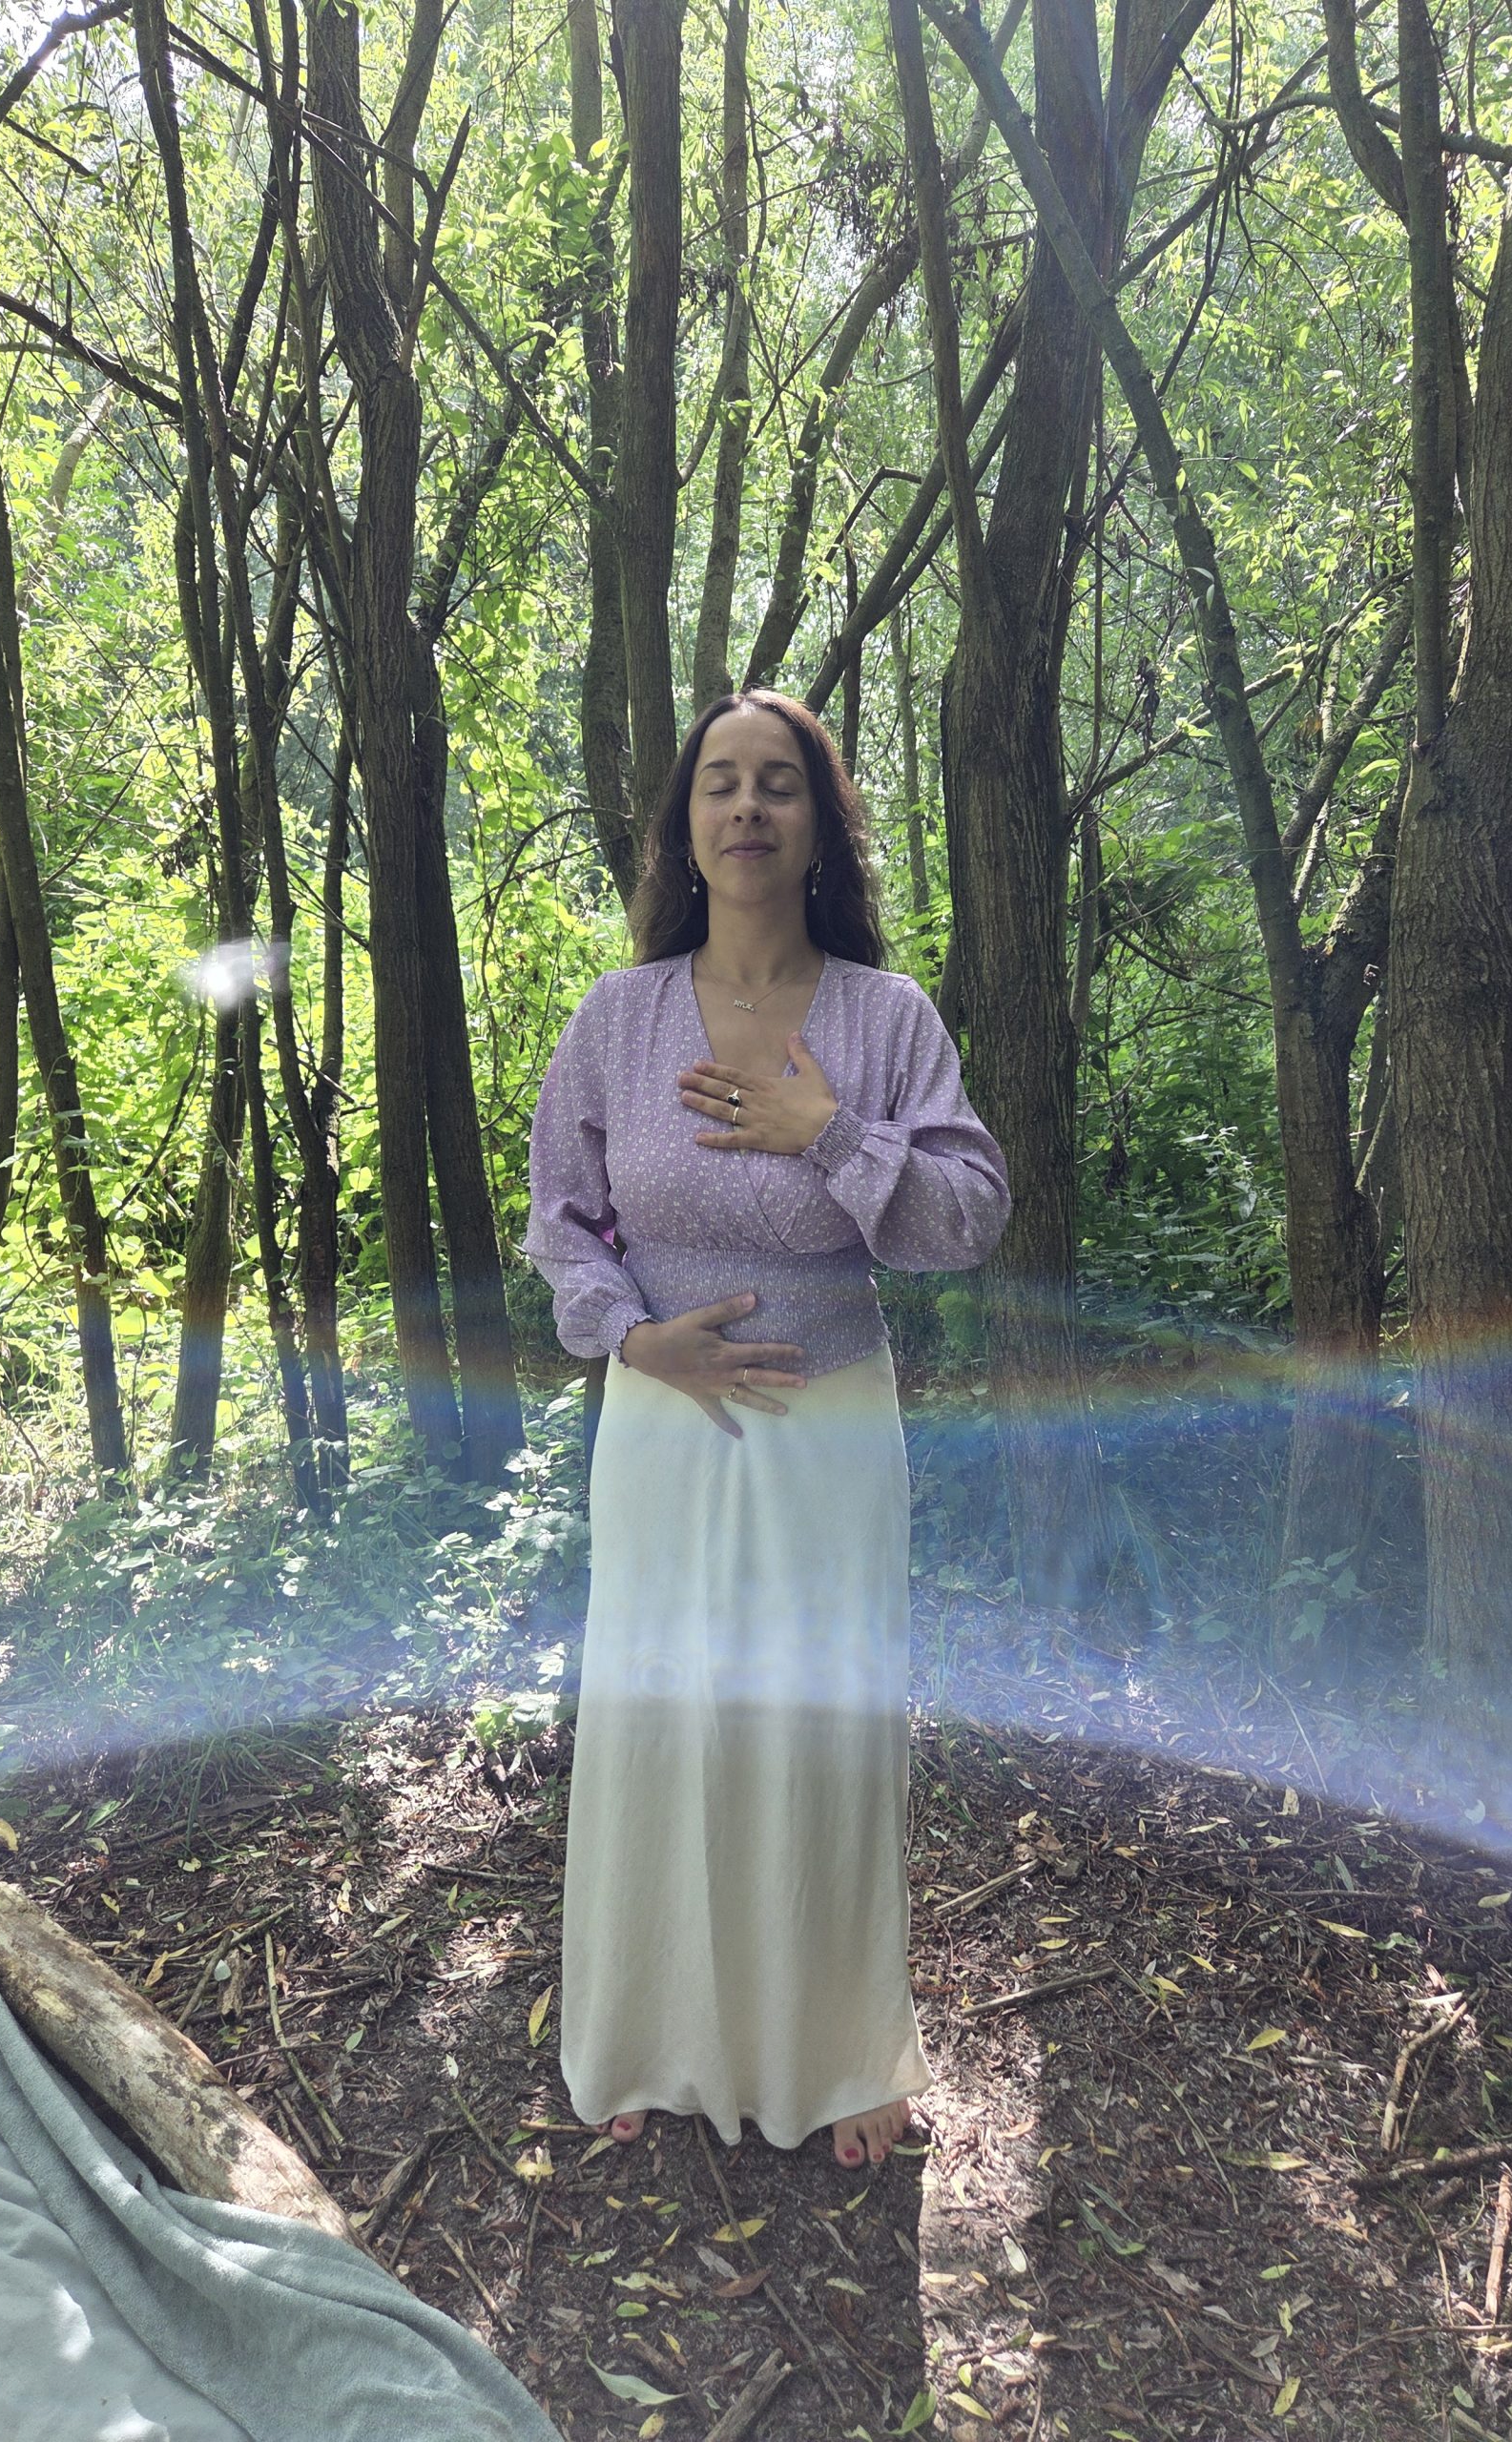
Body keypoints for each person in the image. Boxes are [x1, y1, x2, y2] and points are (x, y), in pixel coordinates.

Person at [522, 688, 1010, 2170]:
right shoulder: (617, 1020)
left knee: (820, 1732)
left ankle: (838, 2053)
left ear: (819, 825)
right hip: (664, 1429)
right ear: (685, 825)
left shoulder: (885, 1017)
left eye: (779, 783)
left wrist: (832, 1135)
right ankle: (647, 2033)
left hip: (829, 1429)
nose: (747, 808)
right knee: (663, 1726)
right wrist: (632, 1336)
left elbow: (968, 1220)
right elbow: (561, 1222)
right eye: (720, 783)